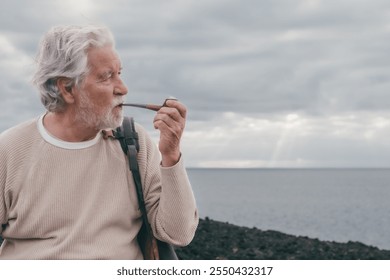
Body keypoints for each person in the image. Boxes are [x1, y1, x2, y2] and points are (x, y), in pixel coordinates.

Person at [0, 25, 198, 259]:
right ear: (67, 88)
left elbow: (178, 234)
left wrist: (171, 155)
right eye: (107, 77)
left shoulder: (134, 142)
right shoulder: (10, 150)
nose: (123, 88)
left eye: (119, 73)